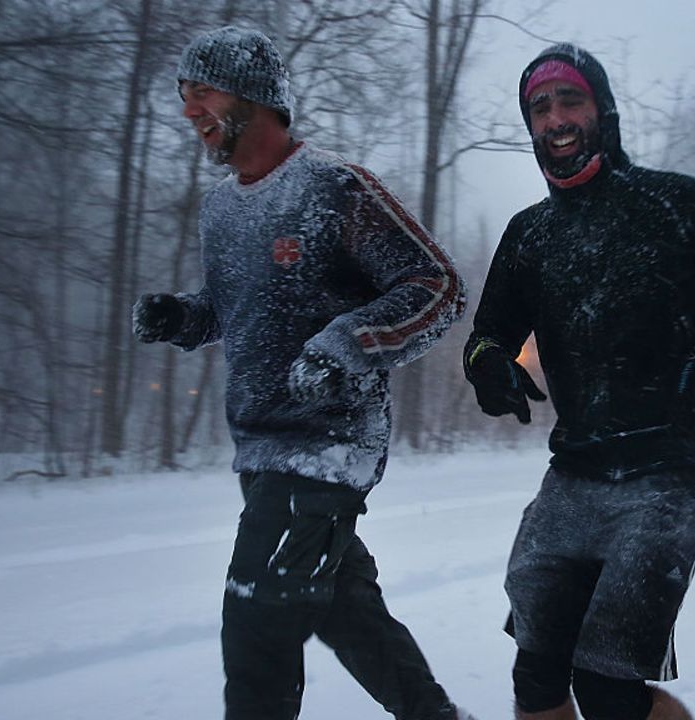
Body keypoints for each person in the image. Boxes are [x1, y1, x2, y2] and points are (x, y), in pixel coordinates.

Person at [132, 26, 473, 720]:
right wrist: (185, 318)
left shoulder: (333, 189)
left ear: (252, 97)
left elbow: (437, 287)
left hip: (328, 446)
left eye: (203, 93)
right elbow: (238, 310)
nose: (189, 111)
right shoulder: (222, 208)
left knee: (256, 622)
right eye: (184, 97)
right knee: (343, 609)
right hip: (260, 451)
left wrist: (344, 346)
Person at [463, 44, 695, 720]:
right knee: (537, 674)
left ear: (601, 110)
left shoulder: (675, 203)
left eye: (569, 99)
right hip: (574, 475)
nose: (554, 117)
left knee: (610, 686)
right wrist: (488, 364)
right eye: (539, 107)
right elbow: (488, 333)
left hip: (670, 470)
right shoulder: (530, 234)